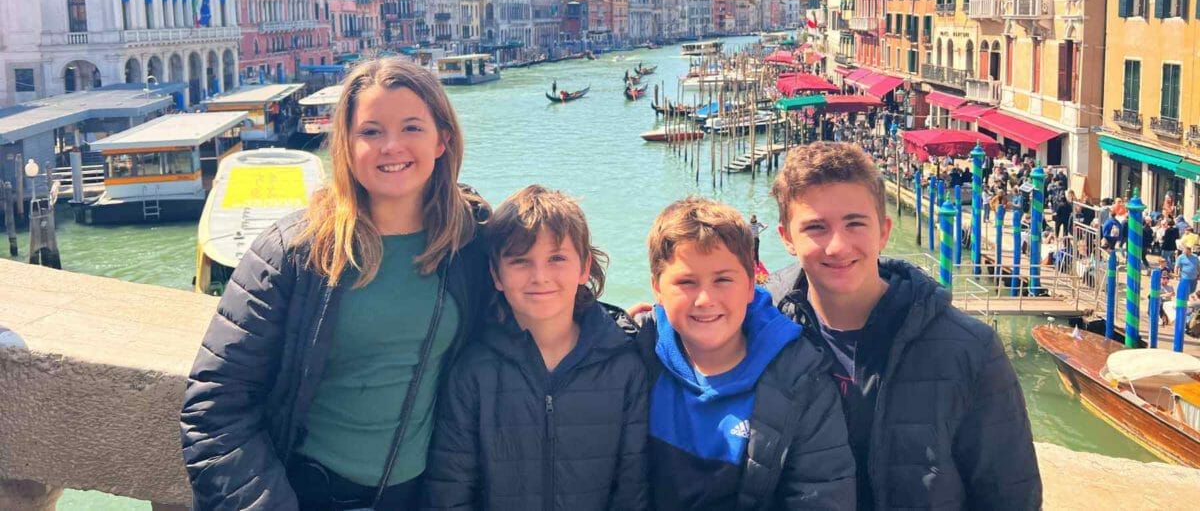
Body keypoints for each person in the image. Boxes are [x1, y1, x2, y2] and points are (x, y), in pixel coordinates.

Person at [180, 57, 492, 511]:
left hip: (425, 496)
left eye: (411, 128)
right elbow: (214, 409)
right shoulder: (293, 251)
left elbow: (542, 298)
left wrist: (627, 326)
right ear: (346, 143)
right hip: (309, 494)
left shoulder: (471, 242)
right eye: (370, 131)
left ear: (442, 139)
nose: (391, 146)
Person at [766, 142, 1041, 510]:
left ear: (883, 231)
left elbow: (1008, 495)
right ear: (786, 238)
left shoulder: (971, 349)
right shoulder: (759, 334)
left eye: (855, 224)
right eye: (816, 227)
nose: (837, 245)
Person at [423, 185, 648, 510]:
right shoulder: (474, 370)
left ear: (584, 267)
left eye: (556, 258)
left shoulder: (623, 363)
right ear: (496, 275)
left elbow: (632, 489)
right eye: (520, 261)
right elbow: (450, 488)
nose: (540, 276)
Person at [638, 197, 855, 510]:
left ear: (752, 285)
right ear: (657, 289)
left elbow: (823, 495)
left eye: (723, 280)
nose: (705, 299)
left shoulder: (800, 377)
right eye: (686, 282)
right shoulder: (636, 352)